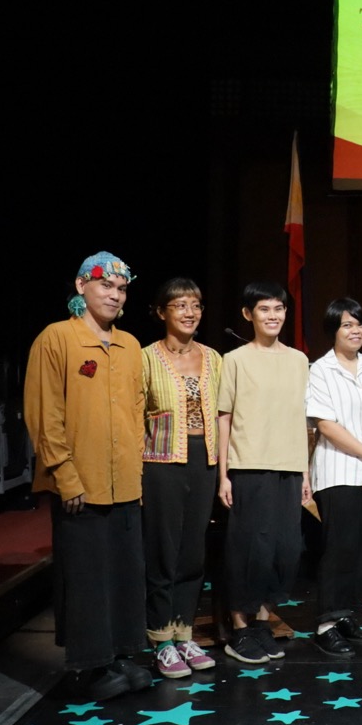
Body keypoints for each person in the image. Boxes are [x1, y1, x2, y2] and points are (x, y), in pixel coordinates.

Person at [24, 251, 151, 700]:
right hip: (81, 483)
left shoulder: (131, 345)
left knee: (123, 573)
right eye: (105, 286)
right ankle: (91, 665)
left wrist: (136, 474)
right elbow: (45, 414)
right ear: (82, 287)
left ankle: (121, 654)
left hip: (124, 483)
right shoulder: (57, 339)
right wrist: (66, 475)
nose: (115, 295)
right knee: (86, 576)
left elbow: (138, 412)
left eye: (121, 289)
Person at [217, 281, 311, 663]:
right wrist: (223, 474)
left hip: (289, 466)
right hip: (248, 465)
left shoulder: (299, 360)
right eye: (264, 309)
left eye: (279, 309)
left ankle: (260, 620)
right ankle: (239, 627)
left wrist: (305, 473)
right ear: (248, 314)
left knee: (285, 549)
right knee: (248, 549)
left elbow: (304, 421)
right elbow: (224, 418)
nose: (273, 316)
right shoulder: (235, 359)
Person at [141, 278, 222, 679]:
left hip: (203, 461)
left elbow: (224, 417)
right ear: (161, 312)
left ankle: (185, 631)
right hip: (160, 463)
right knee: (163, 551)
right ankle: (161, 639)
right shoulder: (145, 358)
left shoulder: (213, 358)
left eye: (196, 304)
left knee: (193, 552)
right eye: (180, 305)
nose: (190, 312)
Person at [307, 298, 362, 657]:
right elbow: (326, 425)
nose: (355, 330)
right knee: (339, 548)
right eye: (347, 325)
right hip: (338, 470)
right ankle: (326, 622)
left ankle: (348, 615)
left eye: (359, 323)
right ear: (333, 330)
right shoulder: (321, 369)